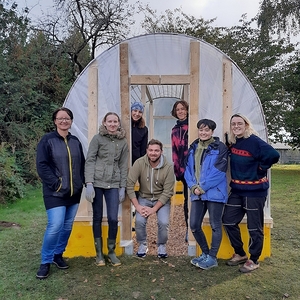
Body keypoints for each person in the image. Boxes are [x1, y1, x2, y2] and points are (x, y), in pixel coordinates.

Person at [223, 113, 280, 273]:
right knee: (228, 220)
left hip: (255, 191)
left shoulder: (254, 141)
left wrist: (261, 168)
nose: (236, 126)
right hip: (237, 189)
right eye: (233, 124)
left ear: (246, 124)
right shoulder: (235, 142)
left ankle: (253, 259)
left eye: (239, 123)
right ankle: (240, 253)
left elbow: (274, 155)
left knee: (254, 227)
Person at [36, 107, 85, 279]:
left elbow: (82, 164)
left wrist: (84, 183)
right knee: (55, 225)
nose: (64, 121)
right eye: (60, 118)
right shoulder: (47, 140)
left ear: (71, 121)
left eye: (67, 118)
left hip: (74, 193)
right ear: (55, 121)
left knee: (66, 226)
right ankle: (45, 261)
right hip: (54, 193)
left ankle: (58, 255)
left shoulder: (75, 141)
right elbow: (42, 165)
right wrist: (56, 184)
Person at [85, 112, 129, 267]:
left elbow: (124, 165)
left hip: (114, 183)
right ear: (104, 122)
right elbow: (90, 160)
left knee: (112, 218)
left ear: (118, 124)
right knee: (97, 217)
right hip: (97, 182)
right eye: (109, 121)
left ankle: (111, 252)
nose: (112, 124)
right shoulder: (97, 139)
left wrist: (122, 186)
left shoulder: (122, 141)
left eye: (115, 121)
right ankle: (98, 254)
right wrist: (89, 182)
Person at [184, 119, 229, 270]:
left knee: (215, 225)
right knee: (195, 225)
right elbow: (188, 170)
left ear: (212, 132)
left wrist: (201, 187)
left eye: (207, 130)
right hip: (196, 193)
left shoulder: (220, 147)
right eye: (201, 130)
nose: (203, 133)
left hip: (214, 193)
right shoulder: (193, 147)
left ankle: (213, 257)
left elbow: (219, 172)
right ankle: (205, 253)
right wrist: (193, 186)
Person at [126, 139, 175, 258]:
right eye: (151, 150)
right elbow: (129, 184)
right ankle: (142, 244)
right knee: (139, 221)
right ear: (147, 151)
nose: (153, 153)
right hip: (144, 197)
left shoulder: (168, 167)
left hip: (161, 199)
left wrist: (153, 210)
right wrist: (137, 206)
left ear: (161, 152)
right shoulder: (139, 163)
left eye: (156, 151)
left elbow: (168, 191)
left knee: (163, 223)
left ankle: (162, 245)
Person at [171, 100, 189, 242]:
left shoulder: (193, 126)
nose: (181, 111)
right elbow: (175, 151)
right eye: (178, 110)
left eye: (183, 109)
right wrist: (177, 170)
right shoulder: (175, 130)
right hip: (183, 170)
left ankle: (194, 228)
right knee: (186, 199)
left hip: (193, 169)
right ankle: (188, 228)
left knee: (193, 200)